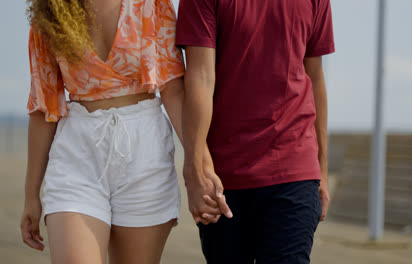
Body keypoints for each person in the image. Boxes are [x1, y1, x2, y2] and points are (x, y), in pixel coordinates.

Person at [19, 0, 200, 263]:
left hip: (144, 151)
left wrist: (197, 165)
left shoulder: (153, 4)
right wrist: (30, 194)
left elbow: (173, 90)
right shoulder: (50, 10)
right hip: (78, 153)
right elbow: (43, 107)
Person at [176, 0, 335, 263]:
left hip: (294, 169)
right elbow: (200, 76)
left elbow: (314, 75)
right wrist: (194, 171)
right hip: (223, 177)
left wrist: (323, 172)